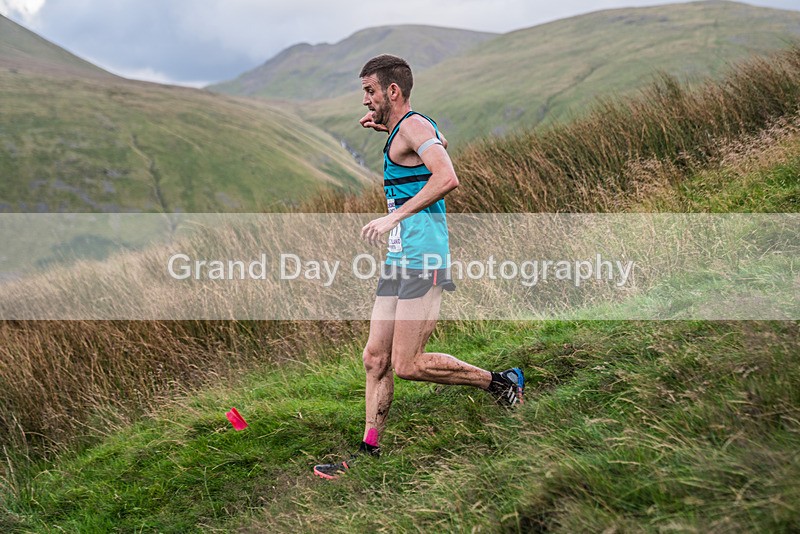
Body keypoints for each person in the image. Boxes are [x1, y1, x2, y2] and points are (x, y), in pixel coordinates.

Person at [313, 54, 524, 480]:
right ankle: (368, 452)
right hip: (399, 258)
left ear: (392, 91)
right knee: (375, 358)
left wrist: (395, 216)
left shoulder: (413, 126)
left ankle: (502, 383)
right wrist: (388, 128)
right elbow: (430, 143)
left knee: (407, 364)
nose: (366, 100)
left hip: (423, 258)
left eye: (370, 91)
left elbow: (447, 177)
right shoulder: (406, 129)